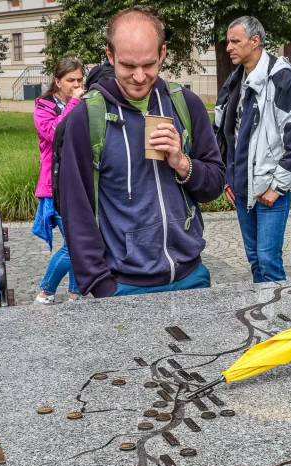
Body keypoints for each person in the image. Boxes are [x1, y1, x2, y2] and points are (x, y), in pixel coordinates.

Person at [58, 7, 225, 298]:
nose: (138, 76)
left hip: (191, 277)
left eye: (148, 64)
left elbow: (214, 185)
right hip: (124, 286)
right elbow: (76, 208)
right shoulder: (86, 118)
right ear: (110, 56)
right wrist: (100, 285)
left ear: (162, 53)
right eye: (127, 65)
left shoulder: (186, 105)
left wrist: (183, 163)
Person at [214, 16, 291, 283]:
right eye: (228, 41)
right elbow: (224, 133)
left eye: (235, 41)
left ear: (255, 41)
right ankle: (261, 316)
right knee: (255, 260)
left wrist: (277, 187)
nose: (229, 47)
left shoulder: (283, 81)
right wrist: (226, 178)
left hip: (270, 190)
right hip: (241, 186)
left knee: (269, 262)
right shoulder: (234, 81)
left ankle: (279, 319)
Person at [32, 57, 85, 304]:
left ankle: (75, 293)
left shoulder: (82, 104)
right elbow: (54, 133)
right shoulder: (43, 106)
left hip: (79, 182)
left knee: (79, 239)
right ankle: (46, 291)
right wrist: (75, 102)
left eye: (79, 80)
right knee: (75, 244)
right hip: (55, 187)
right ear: (57, 81)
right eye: (70, 80)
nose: (76, 84)